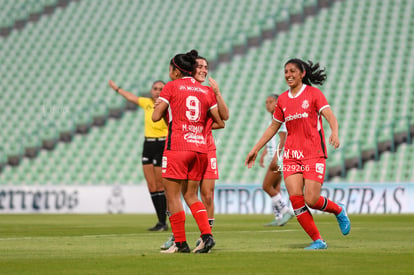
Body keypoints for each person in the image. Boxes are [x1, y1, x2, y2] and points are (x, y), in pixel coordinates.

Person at [245, 58, 350, 250]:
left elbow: (330, 116)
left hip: (313, 153)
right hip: (292, 155)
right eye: (286, 71)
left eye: (292, 71)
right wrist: (255, 149)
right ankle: (318, 240)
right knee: (296, 200)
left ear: (302, 73)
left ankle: (338, 210)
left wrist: (334, 132)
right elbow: (273, 128)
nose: (288, 75)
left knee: (312, 199)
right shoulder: (283, 100)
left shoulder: (314, 94)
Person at [152, 49, 225, 253]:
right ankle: (207, 236)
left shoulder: (171, 87)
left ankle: (180, 243)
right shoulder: (205, 91)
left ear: (176, 70)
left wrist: (161, 107)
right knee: (191, 196)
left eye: (170, 68)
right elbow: (220, 121)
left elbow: (155, 117)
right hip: (200, 149)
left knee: (173, 196)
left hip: (177, 147)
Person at [108, 79, 168, 231]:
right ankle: (160, 221)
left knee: (161, 185)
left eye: (161, 88)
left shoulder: (167, 105)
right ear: (151, 90)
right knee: (152, 186)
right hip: (148, 144)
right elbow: (131, 97)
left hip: (162, 144)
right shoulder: (146, 102)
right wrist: (117, 89)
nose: (158, 91)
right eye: (155, 88)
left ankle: (164, 221)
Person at [259, 94, 293, 226]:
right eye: (266, 102)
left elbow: (283, 138)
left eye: (271, 101)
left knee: (266, 186)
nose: (268, 104)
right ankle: (279, 218)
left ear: (278, 103)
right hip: (275, 158)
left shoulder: (281, 118)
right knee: (275, 188)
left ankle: (285, 211)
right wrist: (263, 154)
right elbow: (272, 140)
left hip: (279, 159)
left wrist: (276, 157)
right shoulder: (272, 120)